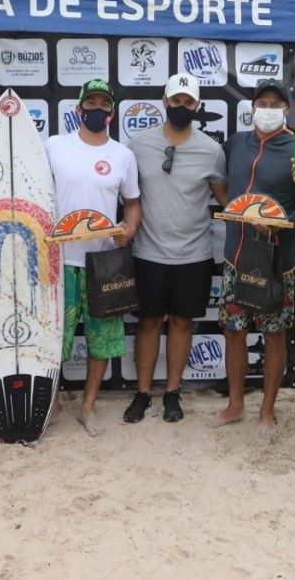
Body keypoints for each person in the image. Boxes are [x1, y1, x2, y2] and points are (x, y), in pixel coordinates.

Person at [123, 73, 227, 423]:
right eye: (176, 100)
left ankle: (171, 392)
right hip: (148, 252)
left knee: (182, 323)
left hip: (194, 253)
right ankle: (141, 393)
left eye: (189, 102)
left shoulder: (212, 151)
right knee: (149, 323)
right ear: (164, 101)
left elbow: (226, 200)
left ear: (197, 106)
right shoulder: (137, 145)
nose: (182, 106)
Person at [47, 79, 141, 437]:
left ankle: (88, 407)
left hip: (103, 264)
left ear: (111, 113)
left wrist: (128, 230)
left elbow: (132, 204)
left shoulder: (122, 155)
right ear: (78, 109)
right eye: (91, 104)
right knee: (55, 338)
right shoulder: (54, 146)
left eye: (103, 104)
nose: (96, 110)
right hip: (57, 262)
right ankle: (52, 401)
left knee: (101, 339)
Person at [211, 78, 295, 437]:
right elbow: (220, 185)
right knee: (233, 331)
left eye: (275, 104)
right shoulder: (235, 144)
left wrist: (280, 225)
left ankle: (267, 409)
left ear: (286, 110)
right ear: (252, 109)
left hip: (279, 259)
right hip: (236, 256)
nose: (267, 109)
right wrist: (234, 209)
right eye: (261, 103)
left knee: (274, 335)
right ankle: (235, 404)